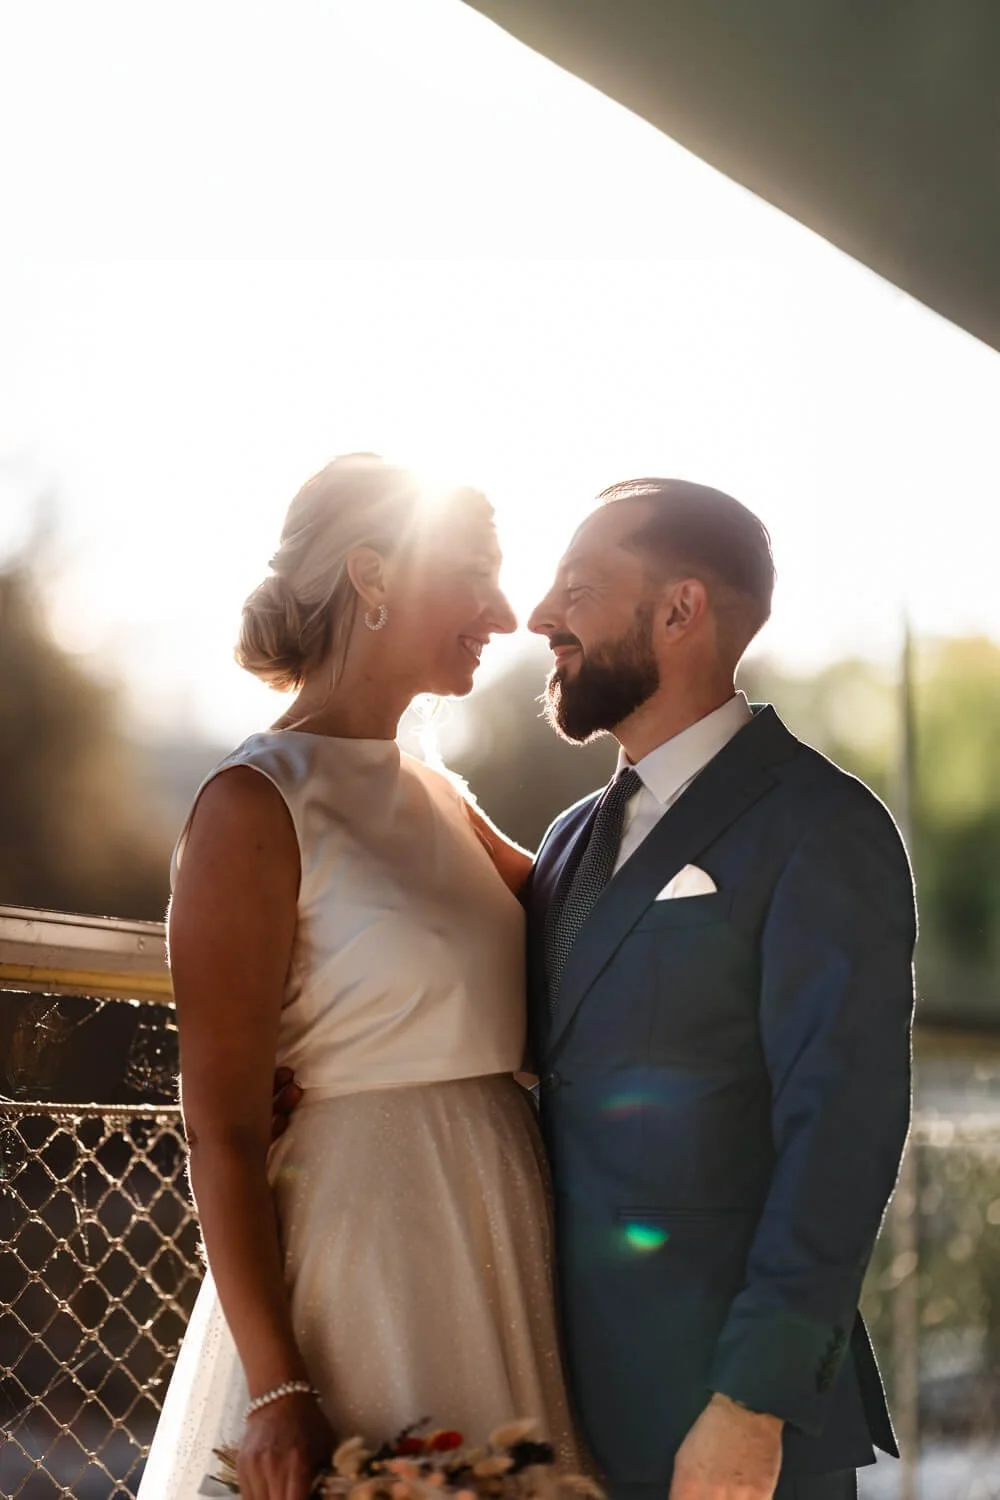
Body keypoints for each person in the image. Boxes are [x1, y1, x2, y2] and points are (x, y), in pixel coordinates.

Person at [138, 455, 581, 1500]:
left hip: (502, 1238)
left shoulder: (438, 792)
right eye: (475, 574)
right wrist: (276, 1385)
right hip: (366, 1256)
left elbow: (594, 915)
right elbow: (226, 1129)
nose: (507, 612)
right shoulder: (252, 806)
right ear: (372, 576)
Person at [520, 479, 917, 1500]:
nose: (539, 619)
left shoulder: (823, 829)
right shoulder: (566, 841)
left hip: (731, 1431)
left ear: (679, 609)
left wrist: (754, 1402)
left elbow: (841, 1132)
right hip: (561, 1413)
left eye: (576, 589)